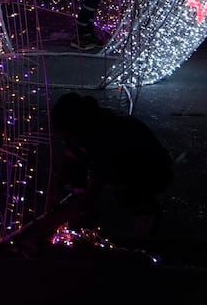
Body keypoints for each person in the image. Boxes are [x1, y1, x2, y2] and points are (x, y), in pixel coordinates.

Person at [46, 93, 173, 235]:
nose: (64, 137)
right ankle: (78, 201)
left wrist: (54, 222)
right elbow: (70, 158)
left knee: (115, 180)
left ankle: (147, 210)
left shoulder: (107, 136)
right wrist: (55, 191)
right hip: (124, 159)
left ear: (75, 126)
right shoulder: (86, 122)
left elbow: (94, 191)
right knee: (77, 158)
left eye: (66, 133)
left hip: (154, 171)